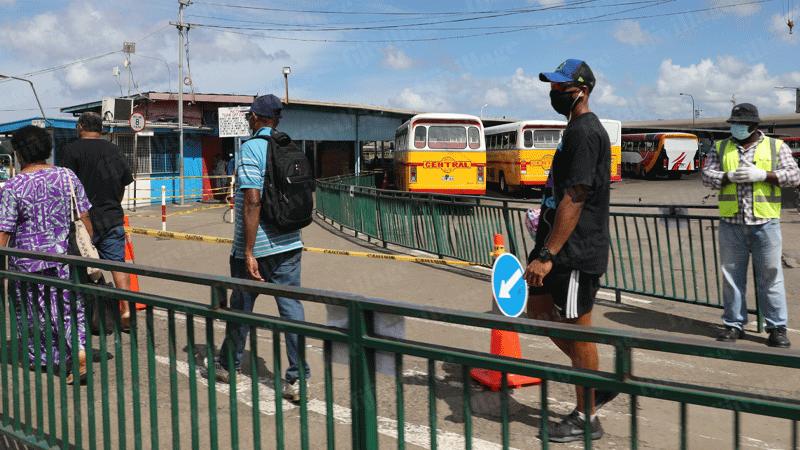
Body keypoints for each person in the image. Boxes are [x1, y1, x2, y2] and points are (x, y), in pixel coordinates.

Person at [524, 59, 613, 443]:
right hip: (553, 246)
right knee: (539, 313)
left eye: (561, 87)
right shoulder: (572, 130)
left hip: (575, 252)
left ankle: (586, 417)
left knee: (579, 332)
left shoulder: (586, 133)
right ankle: (596, 381)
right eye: (552, 86)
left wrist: (548, 254)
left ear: (582, 91)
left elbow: (576, 197)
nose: (554, 92)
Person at [216, 94, 310, 402]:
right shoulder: (289, 146)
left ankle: (228, 365)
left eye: (249, 116)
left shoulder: (251, 148)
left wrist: (248, 251)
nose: (248, 120)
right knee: (292, 311)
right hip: (291, 242)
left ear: (256, 118)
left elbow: (252, 201)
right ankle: (298, 379)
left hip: (257, 249)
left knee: (241, 308)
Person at [701, 103, 800, 347]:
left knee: (771, 278)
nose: (735, 127)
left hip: (765, 224)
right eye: (733, 123)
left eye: (740, 124)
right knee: (732, 278)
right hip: (731, 224)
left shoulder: (776, 146)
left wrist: (764, 175)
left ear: (754, 125)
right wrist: (727, 176)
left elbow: (795, 175)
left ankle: (777, 328)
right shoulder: (721, 147)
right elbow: (706, 175)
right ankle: (734, 325)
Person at [0, 125, 92, 384]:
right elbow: (84, 217)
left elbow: (4, 230)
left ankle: (40, 358)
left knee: (33, 313)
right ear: (46, 150)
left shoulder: (13, 186)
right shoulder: (67, 176)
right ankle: (79, 350)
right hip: (64, 259)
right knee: (69, 308)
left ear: (19, 154)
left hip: (27, 265)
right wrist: (86, 246)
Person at [61, 112, 135, 328]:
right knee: (117, 264)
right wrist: (112, 204)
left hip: (82, 223)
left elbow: (66, 188)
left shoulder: (71, 150)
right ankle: (126, 311)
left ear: (80, 127)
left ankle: (86, 315)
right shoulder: (115, 150)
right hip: (112, 218)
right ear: (101, 128)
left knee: (81, 267)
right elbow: (123, 185)